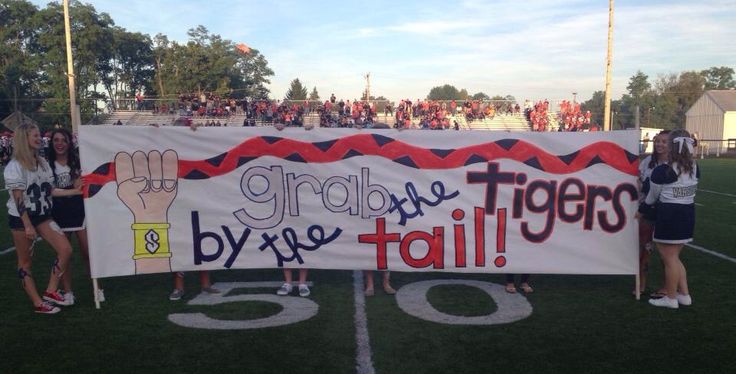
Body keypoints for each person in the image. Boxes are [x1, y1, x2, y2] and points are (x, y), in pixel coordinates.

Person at [4, 124, 76, 313]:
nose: (39, 138)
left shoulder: (42, 162)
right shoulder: (15, 166)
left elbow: (50, 190)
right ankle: (38, 303)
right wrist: (27, 225)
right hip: (22, 219)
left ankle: (51, 290)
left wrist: (75, 190)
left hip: (43, 215)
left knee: (66, 249)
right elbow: (18, 198)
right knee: (25, 263)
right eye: (35, 135)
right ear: (24, 138)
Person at [641, 129, 698, 309]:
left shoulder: (663, 170)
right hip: (688, 213)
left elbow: (651, 197)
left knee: (669, 258)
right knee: (674, 257)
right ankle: (684, 294)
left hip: (669, 214)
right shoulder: (695, 167)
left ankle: (671, 298)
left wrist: (641, 211)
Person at [47, 128, 105, 304]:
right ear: (51, 143)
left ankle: (97, 287)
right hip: (59, 213)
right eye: (56, 140)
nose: (59, 144)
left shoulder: (78, 161)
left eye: (63, 140)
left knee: (88, 253)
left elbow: (88, 180)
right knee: (64, 256)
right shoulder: (47, 165)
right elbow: (50, 191)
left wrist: (82, 183)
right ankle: (68, 291)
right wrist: (74, 188)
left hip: (79, 211)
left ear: (69, 143)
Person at [635, 130, 670, 297]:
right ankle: (641, 284)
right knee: (644, 249)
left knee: (667, 254)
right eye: (658, 141)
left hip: (667, 213)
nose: (659, 144)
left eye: (664, 141)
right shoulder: (647, 161)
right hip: (647, 211)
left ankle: (667, 286)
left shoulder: (675, 164)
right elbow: (639, 181)